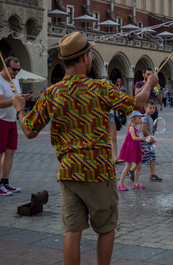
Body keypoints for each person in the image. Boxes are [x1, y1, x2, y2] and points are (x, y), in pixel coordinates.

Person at [12, 31, 158, 264]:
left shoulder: (52, 93)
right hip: (98, 171)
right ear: (84, 58)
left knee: (73, 230)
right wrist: (149, 83)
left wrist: (20, 108)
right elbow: (138, 103)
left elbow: (29, 130)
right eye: (90, 53)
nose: (90, 57)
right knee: (106, 228)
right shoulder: (100, 88)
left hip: (69, 171)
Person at [0, 56, 32, 196]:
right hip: (1, 120)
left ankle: (5, 181)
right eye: (14, 69)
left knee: (10, 152)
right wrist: (15, 101)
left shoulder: (15, 80)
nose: (16, 72)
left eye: (18, 70)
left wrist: (22, 98)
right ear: (5, 67)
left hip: (12, 119)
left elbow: (15, 99)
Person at [117, 111, 152, 191]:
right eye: (139, 118)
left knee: (139, 166)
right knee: (128, 167)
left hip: (136, 148)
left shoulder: (136, 127)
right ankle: (120, 184)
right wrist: (145, 138)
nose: (141, 120)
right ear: (133, 119)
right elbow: (134, 138)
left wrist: (140, 149)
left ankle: (136, 184)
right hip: (130, 149)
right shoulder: (132, 128)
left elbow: (136, 141)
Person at [129, 100, 162, 182]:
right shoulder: (144, 117)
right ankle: (131, 171)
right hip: (143, 141)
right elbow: (143, 129)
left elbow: (150, 130)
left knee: (152, 158)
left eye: (153, 108)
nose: (152, 109)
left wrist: (152, 138)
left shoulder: (150, 118)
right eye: (150, 108)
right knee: (143, 159)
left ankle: (152, 175)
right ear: (145, 108)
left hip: (149, 141)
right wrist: (151, 137)